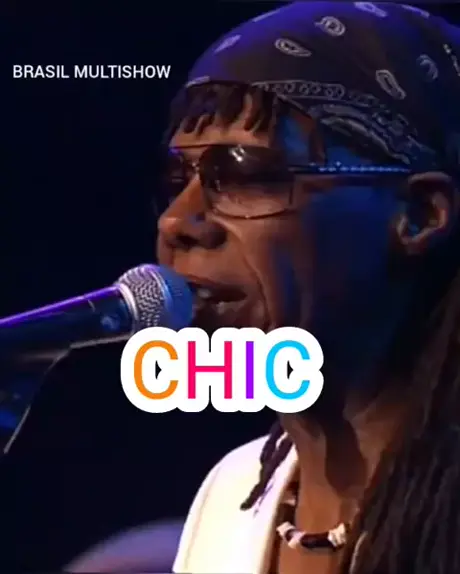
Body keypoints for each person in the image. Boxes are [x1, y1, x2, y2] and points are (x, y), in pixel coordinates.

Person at [155, 2, 460, 574]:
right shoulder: (233, 495)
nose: (177, 221)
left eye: (245, 174)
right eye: (177, 180)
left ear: (420, 214)